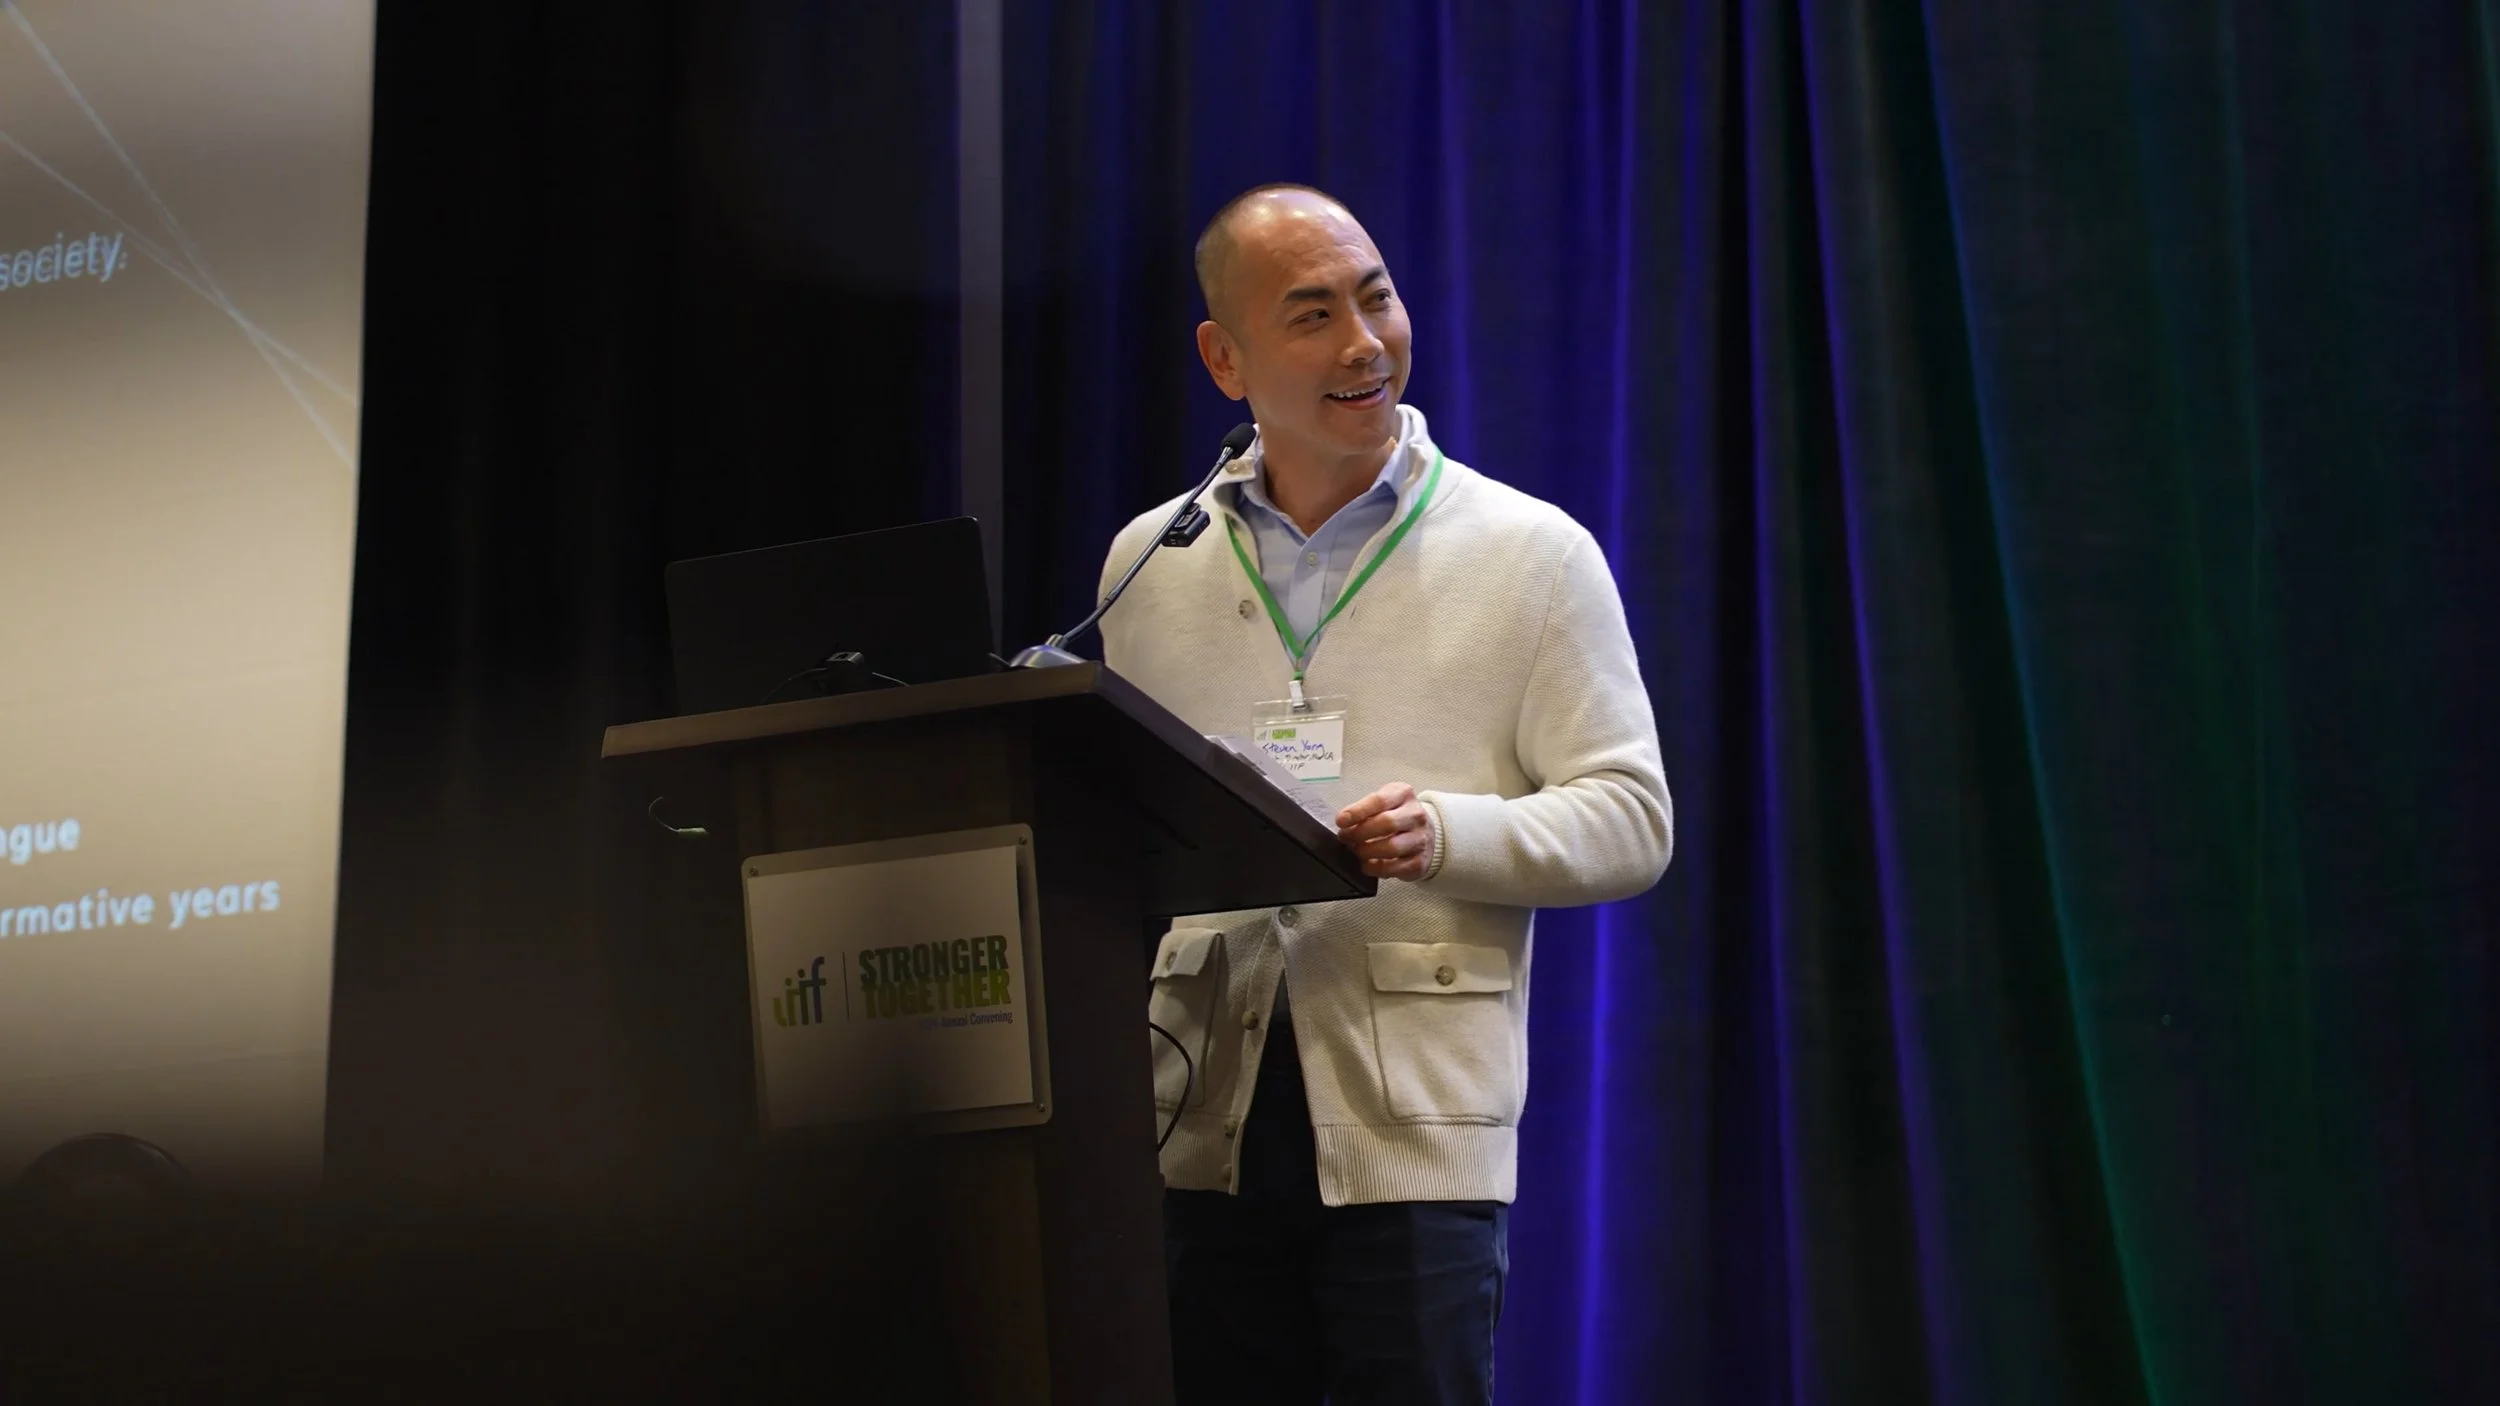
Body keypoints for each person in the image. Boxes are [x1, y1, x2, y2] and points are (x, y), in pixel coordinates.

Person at [1098, 183, 1672, 1406]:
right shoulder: (1151, 560)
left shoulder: (1531, 551)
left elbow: (1632, 816)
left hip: (1413, 1121)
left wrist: (1443, 832)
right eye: (1313, 315)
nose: (1365, 343)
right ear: (1224, 359)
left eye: (1378, 299)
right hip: (1200, 1115)